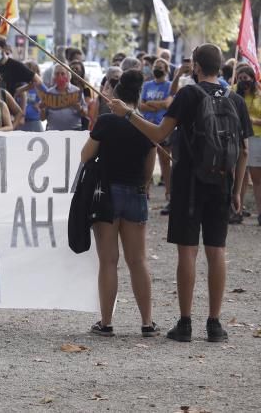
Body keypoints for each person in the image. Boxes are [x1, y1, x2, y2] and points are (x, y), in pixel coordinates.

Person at [109, 44, 250, 342]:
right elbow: (244, 150)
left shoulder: (189, 94)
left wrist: (128, 114)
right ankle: (214, 323)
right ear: (220, 66)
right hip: (223, 182)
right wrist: (237, 190)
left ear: (196, 66)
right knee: (217, 251)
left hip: (189, 182)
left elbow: (160, 135)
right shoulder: (236, 99)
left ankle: (185, 323)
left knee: (187, 251)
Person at [82, 69, 159, 338]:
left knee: (108, 261)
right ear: (139, 95)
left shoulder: (105, 123)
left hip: (106, 195)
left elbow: (85, 155)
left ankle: (106, 322)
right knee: (138, 261)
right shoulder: (147, 126)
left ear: (116, 94)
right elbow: (149, 170)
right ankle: (147, 322)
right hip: (135, 193)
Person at [139, 57, 173, 204]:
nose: (157, 68)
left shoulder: (170, 85)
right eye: (155, 66)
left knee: (165, 160)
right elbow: (141, 105)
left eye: (160, 66)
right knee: (145, 158)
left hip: (162, 125)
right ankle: (145, 190)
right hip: (147, 124)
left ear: (166, 70)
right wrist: (158, 105)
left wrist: (151, 103)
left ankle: (169, 191)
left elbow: (168, 104)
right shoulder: (146, 85)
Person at [234, 64, 261, 225]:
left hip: (256, 138)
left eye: (246, 78)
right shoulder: (233, 95)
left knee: (257, 179)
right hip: (238, 139)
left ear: (252, 78)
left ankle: (260, 213)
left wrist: (253, 121)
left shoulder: (259, 96)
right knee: (240, 177)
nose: (243, 81)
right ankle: (237, 211)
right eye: (240, 78)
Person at [40, 65, 85, 131]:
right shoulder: (48, 93)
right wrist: (42, 109)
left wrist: (79, 108)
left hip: (74, 131)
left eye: (63, 74)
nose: (60, 76)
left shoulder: (77, 91)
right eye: (57, 74)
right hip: (53, 132)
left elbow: (85, 114)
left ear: (69, 76)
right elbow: (42, 118)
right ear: (53, 77)